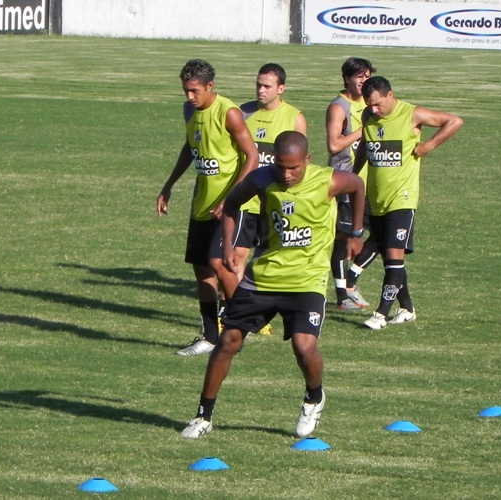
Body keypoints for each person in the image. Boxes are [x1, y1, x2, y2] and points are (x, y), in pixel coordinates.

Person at [180, 131, 365, 439]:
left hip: (307, 280)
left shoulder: (329, 181)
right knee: (227, 342)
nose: (286, 174)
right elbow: (231, 205)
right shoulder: (262, 179)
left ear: (307, 160)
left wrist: (356, 232)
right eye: (281, 166)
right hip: (262, 278)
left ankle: (313, 398)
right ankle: (203, 416)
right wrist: (229, 247)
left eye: (293, 167)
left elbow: (358, 186)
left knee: (304, 347)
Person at [157, 59, 259, 355]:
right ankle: (210, 336)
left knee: (219, 261)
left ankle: (241, 323)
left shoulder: (229, 113)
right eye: (186, 90)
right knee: (202, 270)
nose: (189, 96)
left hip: (230, 204)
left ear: (210, 86)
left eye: (195, 90)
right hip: (202, 202)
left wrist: (230, 197)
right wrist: (169, 185)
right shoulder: (190, 110)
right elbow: (191, 148)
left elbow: (251, 157)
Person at [353, 76, 463, 329]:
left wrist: (429, 144)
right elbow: (365, 148)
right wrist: (353, 173)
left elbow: (454, 121)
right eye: (369, 105)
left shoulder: (412, 114)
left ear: (390, 95)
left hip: (402, 198)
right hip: (377, 197)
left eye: (378, 104)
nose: (374, 109)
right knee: (391, 260)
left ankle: (380, 315)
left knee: (394, 255)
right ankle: (407, 308)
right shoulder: (369, 118)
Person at [234, 63, 307, 335]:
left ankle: (267, 313)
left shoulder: (294, 118)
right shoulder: (244, 112)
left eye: (267, 86)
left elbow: (300, 163)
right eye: (258, 84)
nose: (260, 90)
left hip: (275, 203)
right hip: (246, 201)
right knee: (237, 256)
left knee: (269, 260)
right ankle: (238, 314)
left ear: (281, 89)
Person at [326, 57, 380, 311]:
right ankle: (342, 296)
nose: (363, 81)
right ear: (346, 78)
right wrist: (363, 130)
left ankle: (350, 281)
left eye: (367, 76)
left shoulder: (373, 105)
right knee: (343, 237)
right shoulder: (339, 107)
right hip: (346, 180)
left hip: (373, 181)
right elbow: (334, 145)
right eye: (359, 76)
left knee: (380, 234)